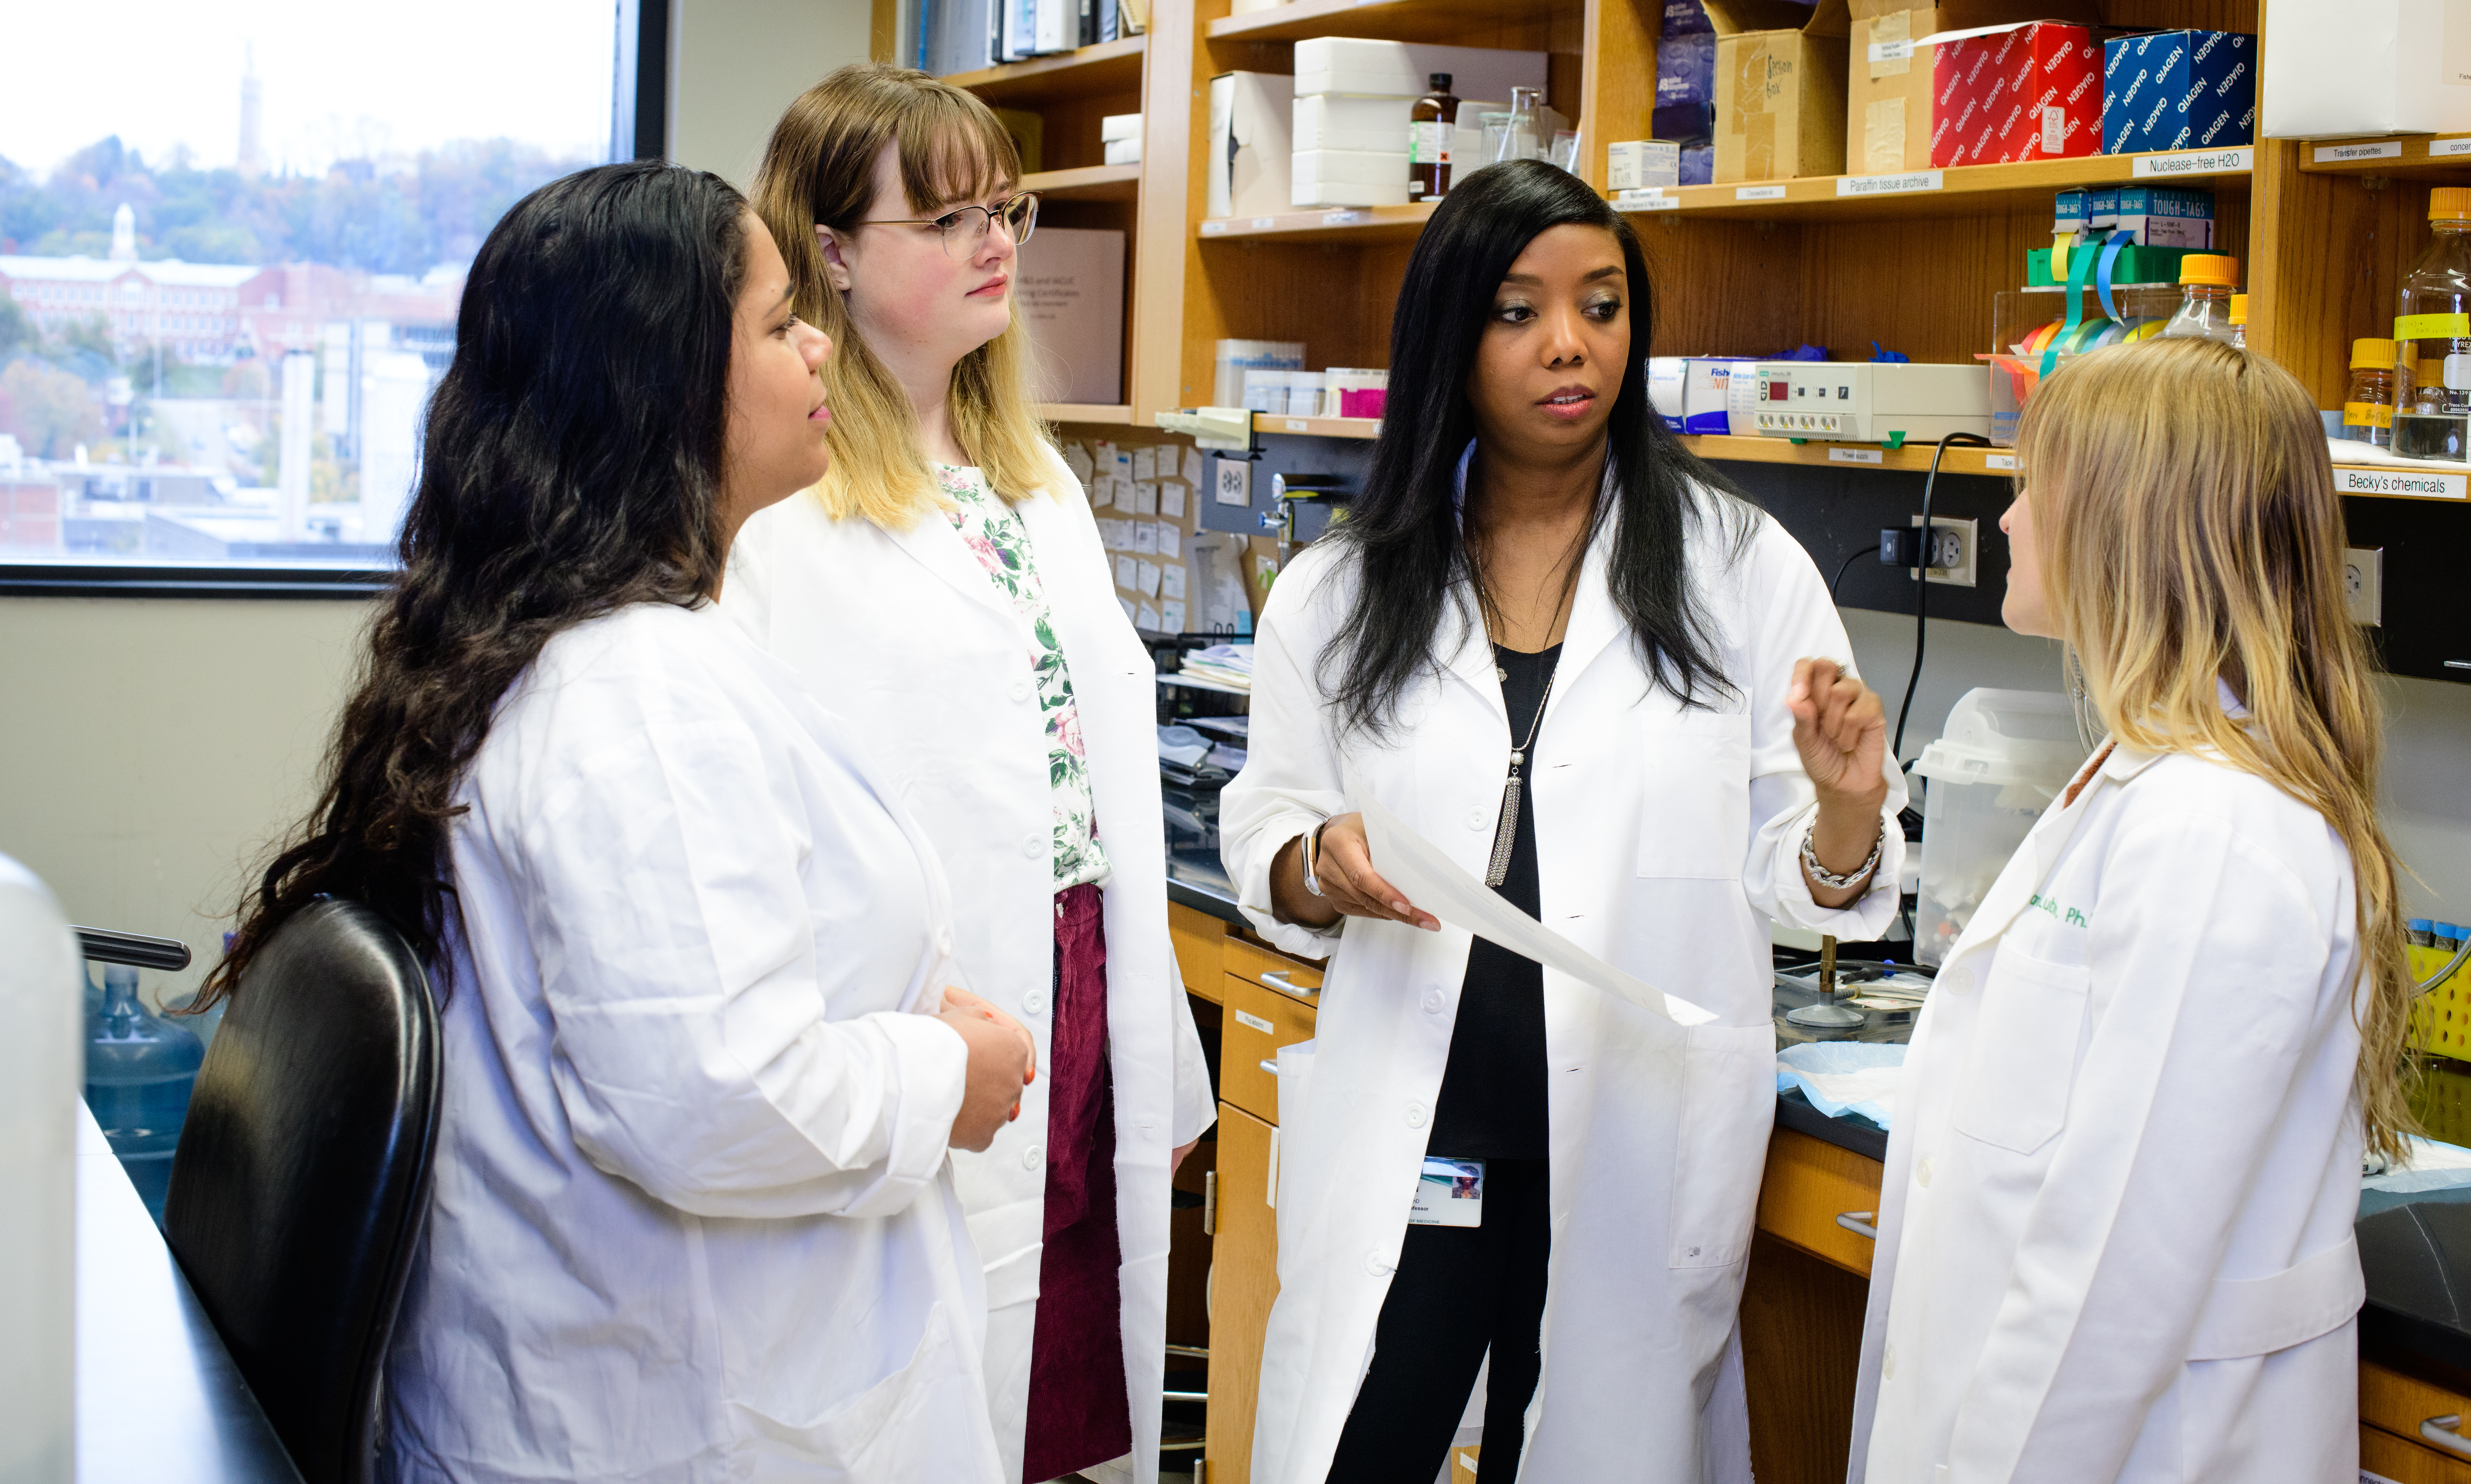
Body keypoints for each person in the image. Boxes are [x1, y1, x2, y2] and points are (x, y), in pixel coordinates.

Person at [198, 162, 1037, 1483]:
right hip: (683, 1421)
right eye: (774, 323)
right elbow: (716, 1102)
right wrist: (946, 1078)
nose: (819, 342)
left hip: (643, 1378)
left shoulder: (583, 648)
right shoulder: (637, 689)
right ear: (661, 383)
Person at [1218, 158, 1908, 1484]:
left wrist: (1843, 809)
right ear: (1450, 335)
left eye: (1600, 304)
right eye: (1518, 310)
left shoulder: (1740, 572)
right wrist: (1317, 864)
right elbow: (1269, 829)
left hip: (1631, 1153)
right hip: (1422, 1144)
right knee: (1365, 1448)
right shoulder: (1337, 588)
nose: (1568, 344)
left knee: (1601, 1444)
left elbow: (1803, 879)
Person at [725, 64, 1214, 1484]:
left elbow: (1098, 794)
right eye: (945, 219)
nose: (997, 244)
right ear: (828, 252)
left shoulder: (1032, 480)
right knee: (926, 1388)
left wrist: (1154, 1063)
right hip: (922, 1009)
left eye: (1006, 208)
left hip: (1081, 974)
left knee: (1058, 1400)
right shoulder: (783, 508)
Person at [1847, 337, 2414, 1483]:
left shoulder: (2217, 834)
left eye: (2028, 491)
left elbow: (2111, 1271)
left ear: (2125, 524)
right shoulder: (2142, 779)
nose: (2005, 523)